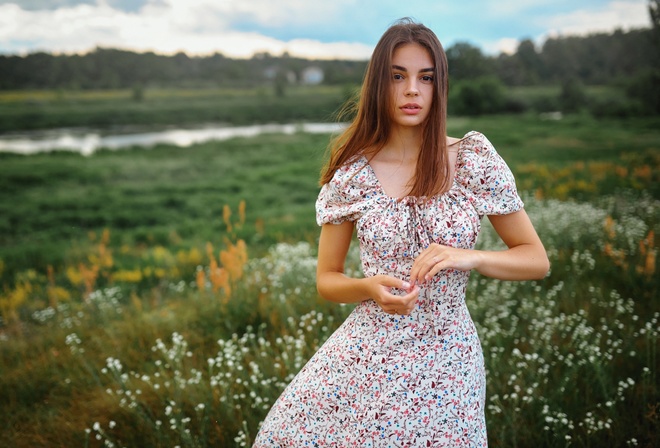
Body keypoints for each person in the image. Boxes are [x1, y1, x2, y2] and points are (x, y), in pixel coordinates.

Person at [253, 18, 549, 447]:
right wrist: (369, 287)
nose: (412, 90)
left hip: (449, 357)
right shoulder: (352, 174)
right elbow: (327, 280)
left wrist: (472, 256)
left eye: (425, 78)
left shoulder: (472, 160)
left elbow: (536, 260)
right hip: (368, 353)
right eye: (398, 77)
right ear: (379, 85)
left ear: (439, 86)